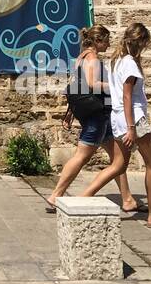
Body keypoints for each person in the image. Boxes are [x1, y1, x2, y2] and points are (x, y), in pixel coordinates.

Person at [80, 23, 151, 229]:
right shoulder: (129, 64)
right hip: (133, 119)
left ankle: (83, 197)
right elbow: (127, 96)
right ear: (141, 43)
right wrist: (132, 128)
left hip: (117, 118)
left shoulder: (116, 60)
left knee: (118, 165)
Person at [45, 25, 139, 214]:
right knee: (82, 156)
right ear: (98, 41)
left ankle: (127, 199)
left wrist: (71, 112)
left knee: (117, 158)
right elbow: (92, 84)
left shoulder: (81, 57)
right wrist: (117, 86)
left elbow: (76, 85)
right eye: (106, 40)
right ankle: (56, 195)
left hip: (99, 114)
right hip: (98, 115)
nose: (109, 44)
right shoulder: (93, 58)